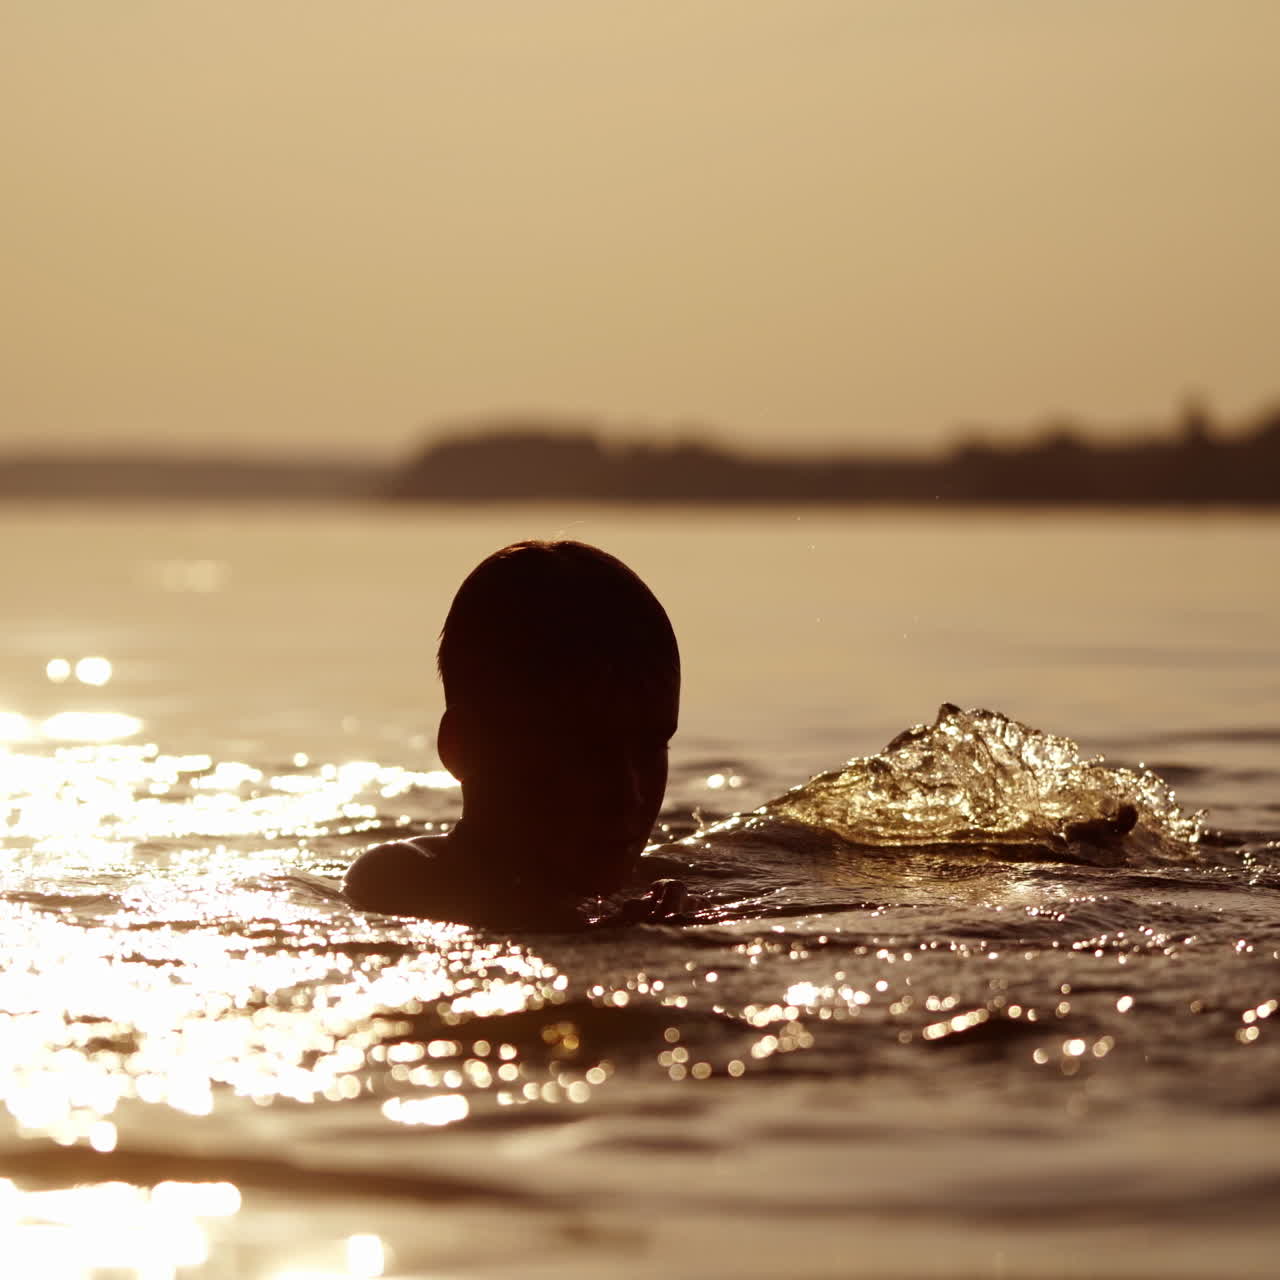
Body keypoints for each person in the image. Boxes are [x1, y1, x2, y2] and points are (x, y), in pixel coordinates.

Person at [343, 539, 688, 927]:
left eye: (650, 748)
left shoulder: (656, 886)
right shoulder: (399, 878)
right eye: (587, 751)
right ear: (464, 748)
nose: (628, 793)